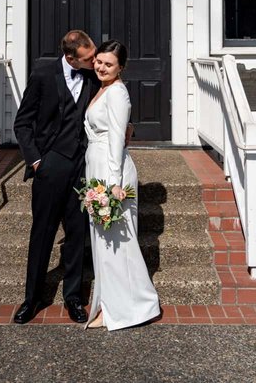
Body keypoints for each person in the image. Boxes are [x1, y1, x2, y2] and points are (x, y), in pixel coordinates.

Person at [12, 30, 97, 325]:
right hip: (50, 164)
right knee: (43, 232)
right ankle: (32, 298)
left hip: (81, 166)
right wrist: (37, 161)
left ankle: (73, 298)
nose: (95, 61)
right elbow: (22, 123)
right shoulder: (43, 74)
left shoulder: (94, 75)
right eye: (88, 58)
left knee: (77, 233)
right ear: (71, 57)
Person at [83, 39, 160, 330]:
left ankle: (129, 307)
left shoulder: (117, 93)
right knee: (104, 242)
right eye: (99, 61)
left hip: (110, 172)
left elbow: (116, 139)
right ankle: (108, 303)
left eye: (108, 64)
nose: (101, 67)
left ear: (121, 68)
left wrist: (113, 184)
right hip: (97, 167)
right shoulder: (102, 88)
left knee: (116, 242)